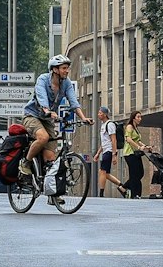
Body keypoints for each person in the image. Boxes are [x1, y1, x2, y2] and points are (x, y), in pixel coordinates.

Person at [23, 55, 89, 194]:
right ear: (54, 69)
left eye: (67, 68)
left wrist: (83, 118)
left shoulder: (66, 84)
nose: (67, 71)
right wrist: (48, 110)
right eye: (64, 68)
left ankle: (52, 193)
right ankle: (26, 163)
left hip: (47, 120)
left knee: (51, 160)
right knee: (43, 138)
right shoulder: (43, 79)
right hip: (32, 116)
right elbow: (41, 97)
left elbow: (73, 102)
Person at [96, 106, 126, 197]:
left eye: (100, 113)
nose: (98, 114)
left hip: (109, 151)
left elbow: (113, 140)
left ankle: (101, 193)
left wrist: (114, 154)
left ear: (105, 114)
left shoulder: (110, 124)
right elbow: (104, 142)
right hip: (105, 150)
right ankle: (122, 186)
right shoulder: (103, 125)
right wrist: (98, 153)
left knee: (102, 171)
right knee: (106, 173)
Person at [120, 109, 150, 199]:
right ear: (133, 118)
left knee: (140, 173)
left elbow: (138, 140)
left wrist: (145, 146)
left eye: (140, 117)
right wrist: (138, 147)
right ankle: (135, 194)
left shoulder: (136, 128)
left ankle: (124, 187)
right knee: (134, 174)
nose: (140, 119)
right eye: (138, 117)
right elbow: (128, 139)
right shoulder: (129, 127)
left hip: (135, 153)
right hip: (129, 153)